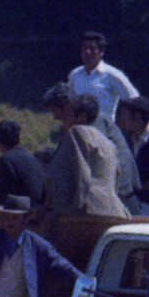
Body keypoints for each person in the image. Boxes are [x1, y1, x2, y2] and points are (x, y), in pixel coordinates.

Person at [69, 31, 142, 203]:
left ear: (101, 52)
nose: (87, 53)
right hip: (80, 133)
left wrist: (124, 122)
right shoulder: (75, 75)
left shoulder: (112, 75)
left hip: (104, 133)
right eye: (84, 48)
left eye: (92, 49)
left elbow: (134, 99)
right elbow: (70, 102)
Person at [42, 84, 123, 220]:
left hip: (86, 213)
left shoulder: (77, 132)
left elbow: (82, 172)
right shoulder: (108, 142)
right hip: (109, 210)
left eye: (68, 113)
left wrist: (76, 211)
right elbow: (117, 176)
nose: (58, 118)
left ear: (81, 117)